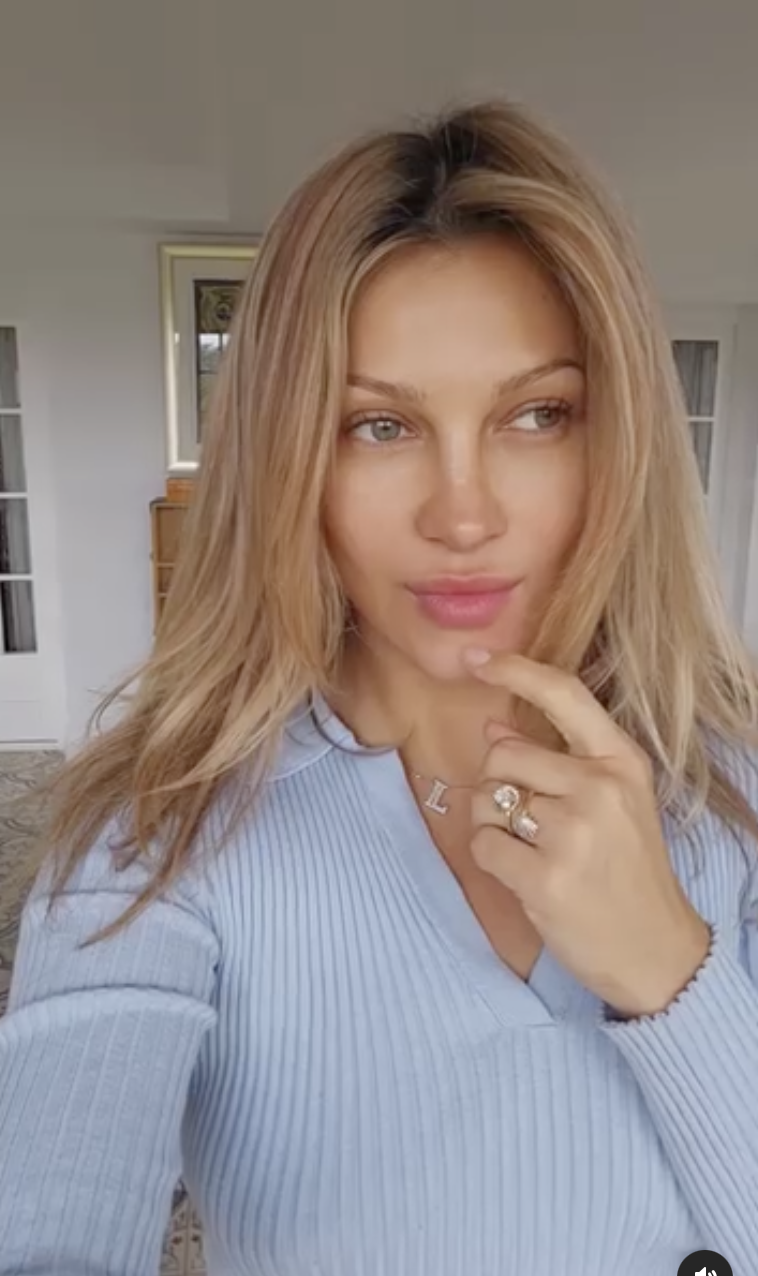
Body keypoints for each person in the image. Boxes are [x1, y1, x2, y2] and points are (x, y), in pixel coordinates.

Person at [0, 99, 757, 1276]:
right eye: (378, 426)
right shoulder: (157, 832)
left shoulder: (731, 785)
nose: (462, 514)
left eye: (536, 414)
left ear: (618, 441)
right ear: (288, 458)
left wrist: (671, 971)